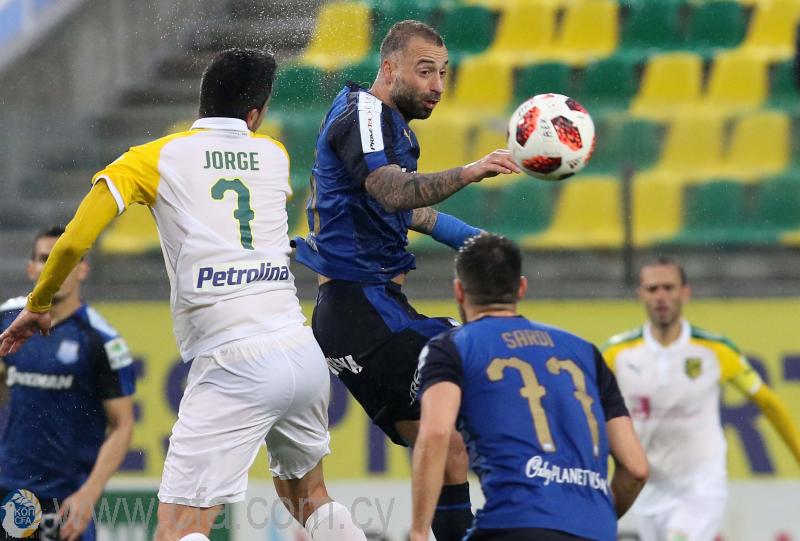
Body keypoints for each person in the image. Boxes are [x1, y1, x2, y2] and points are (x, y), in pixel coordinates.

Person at [0, 49, 367, 541]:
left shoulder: (152, 158)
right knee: (310, 498)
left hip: (233, 359)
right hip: (300, 350)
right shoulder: (274, 155)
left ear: (202, 98)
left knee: (177, 529)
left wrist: (38, 303)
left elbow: (70, 243)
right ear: (254, 115)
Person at [292, 20, 521, 540]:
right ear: (389, 68)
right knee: (494, 349)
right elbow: (394, 192)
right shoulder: (365, 113)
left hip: (357, 318)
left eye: (443, 73)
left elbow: (407, 211)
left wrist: (477, 241)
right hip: (365, 312)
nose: (437, 85)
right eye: (425, 72)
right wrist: (471, 171)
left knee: (446, 449)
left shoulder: (384, 125)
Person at [409, 234, 649, 541]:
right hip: (595, 530)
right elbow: (636, 468)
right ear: (521, 288)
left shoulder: (452, 347)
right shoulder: (585, 353)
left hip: (514, 524)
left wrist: (418, 532)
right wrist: (587, 524)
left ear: (458, 291)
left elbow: (436, 433)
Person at [602, 257, 800, 541]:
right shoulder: (616, 353)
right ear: (640, 294)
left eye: (669, 288)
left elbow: (768, 403)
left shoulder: (716, 350)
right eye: (653, 289)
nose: (661, 296)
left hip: (700, 485)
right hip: (648, 489)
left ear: (685, 292)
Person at [0, 226, 135, 541]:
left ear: (83, 269)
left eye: (64, 260)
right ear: (31, 268)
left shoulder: (102, 339)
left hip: (64, 503)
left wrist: (90, 493)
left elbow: (123, 424)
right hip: (9, 493)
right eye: (44, 259)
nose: (53, 269)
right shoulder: (8, 320)